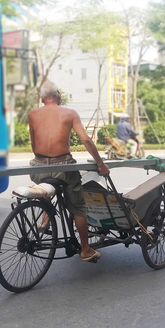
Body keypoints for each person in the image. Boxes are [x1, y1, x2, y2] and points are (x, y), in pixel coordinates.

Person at [28, 81, 110, 262]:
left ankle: (45, 212)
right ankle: (86, 250)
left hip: (37, 168)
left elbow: (34, 145)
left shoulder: (32, 114)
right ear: (58, 95)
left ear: (42, 98)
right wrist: (101, 164)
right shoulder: (70, 113)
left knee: (47, 182)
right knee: (78, 206)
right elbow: (87, 140)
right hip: (63, 167)